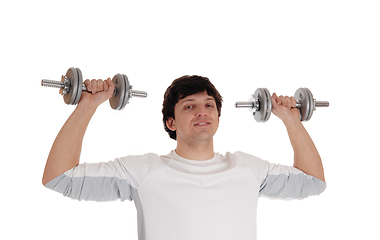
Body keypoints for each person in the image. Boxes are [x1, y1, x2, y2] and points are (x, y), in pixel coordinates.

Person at [42, 75, 326, 240]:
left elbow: (312, 181)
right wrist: (88, 105)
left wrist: (292, 120)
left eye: (209, 106)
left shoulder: (247, 167)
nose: (202, 112)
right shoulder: (142, 171)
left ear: (217, 118)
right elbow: (60, 177)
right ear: (171, 123)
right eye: (189, 106)